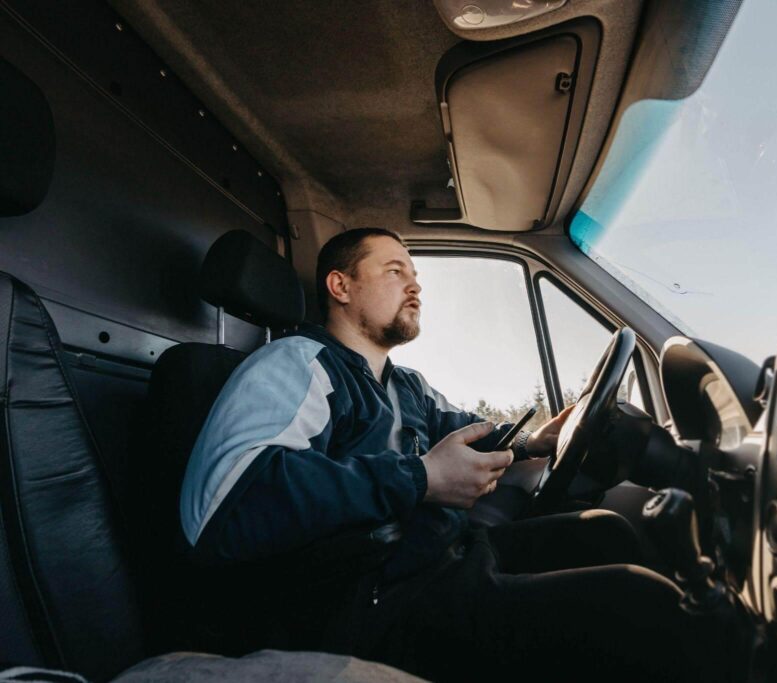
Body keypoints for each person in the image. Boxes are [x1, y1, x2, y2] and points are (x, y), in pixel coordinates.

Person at [179, 227, 711, 682]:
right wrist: (419, 479)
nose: (414, 285)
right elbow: (226, 503)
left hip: (435, 559)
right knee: (641, 609)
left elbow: (468, 434)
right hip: (359, 607)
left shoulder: (407, 385)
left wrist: (535, 440)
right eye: (394, 271)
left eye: (415, 275)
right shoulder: (298, 362)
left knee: (602, 530)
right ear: (340, 286)